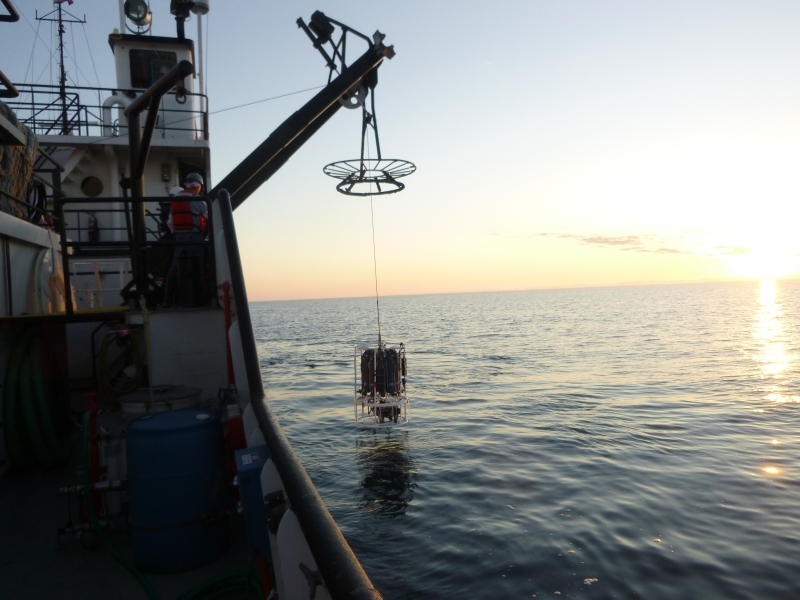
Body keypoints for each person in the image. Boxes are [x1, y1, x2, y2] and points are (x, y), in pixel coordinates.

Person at [162, 173, 208, 307]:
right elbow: (208, 216)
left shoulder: (175, 200)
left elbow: (170, 221)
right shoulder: (198, 199)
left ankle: (167, 300)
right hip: (195, 236)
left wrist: (175, 234)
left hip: (179, 237)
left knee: (175, 266)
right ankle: (197, 299)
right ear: (198, 186)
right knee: (197, 264)